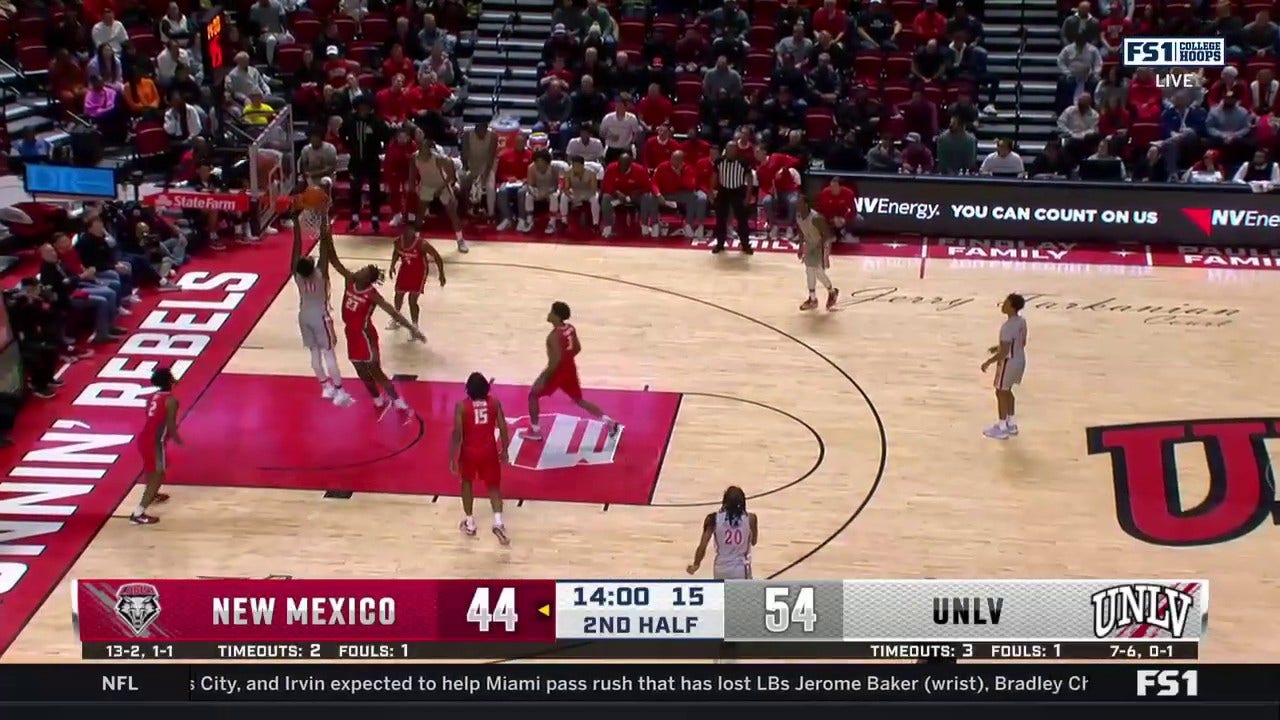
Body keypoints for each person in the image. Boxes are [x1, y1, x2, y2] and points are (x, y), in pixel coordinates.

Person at [320, 228, 425, 423]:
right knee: (361, 372)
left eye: (363, 271)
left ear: (367, 279)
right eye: (361, 269)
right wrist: (327, 239)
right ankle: (377, 399)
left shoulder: (371, 294)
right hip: (351, 334)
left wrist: (412, 328)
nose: (359, 270)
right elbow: (334, 262)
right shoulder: (350, 281)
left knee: (375, 370)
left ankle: (398, 400)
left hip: (365, 335)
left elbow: (392, 312)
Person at [523, 301, 618, 440]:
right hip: (570, 369)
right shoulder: (570, 328)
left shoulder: (553, 336)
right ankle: (609, 421)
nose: (548, 314)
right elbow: (577, 348)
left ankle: (535, 431)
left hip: (557, 372)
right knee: (579, 400)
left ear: (556, 316)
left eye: (551, 312)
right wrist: (567, 359)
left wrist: (546, 378)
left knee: (533, 395)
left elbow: (556, 361)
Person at [290, 202, 352, 407]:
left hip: (303, 315)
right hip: (320, 316)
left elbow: (297, 247)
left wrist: (296, 223)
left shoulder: (296, 273)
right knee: (329, 352)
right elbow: (325, 247)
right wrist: (325, 219)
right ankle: (340, 391)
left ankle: (325, 387)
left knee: (314, 353)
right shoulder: (320, 273)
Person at [450, 372, 511, 544]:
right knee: (494, 486)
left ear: (468, 389)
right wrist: (505, 449)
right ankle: (498, 522)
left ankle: (470, 523)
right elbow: (503, 428)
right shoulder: (494, 403)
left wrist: (452, 456)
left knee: (466, 484)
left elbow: (457, 434)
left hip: (469, 452)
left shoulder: (461, 407)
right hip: (489, 450)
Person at [131, 367, 182, 525]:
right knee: (158, 474)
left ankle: (153, 494)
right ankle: (138, 513)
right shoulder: (172, 401)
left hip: (145, 438)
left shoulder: (152, 397)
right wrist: (179, 440)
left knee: (152, 470)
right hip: (155, 442)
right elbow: (171, 426)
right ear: (170, 380)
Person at [980, 293, 1028, 439]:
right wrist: (999, 347)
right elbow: (1020, 342)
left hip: (1009, 362)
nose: (1003, 305)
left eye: (1006, 303)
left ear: (1012, 307)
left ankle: (1001, 427)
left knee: (1000, 392)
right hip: (1020, 359)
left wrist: (988, 362)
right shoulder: (1022, 321)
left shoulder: (1007, 327)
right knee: (1008, 391)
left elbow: (1004, 353)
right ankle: (1011, 423)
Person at [413, 133, 469, 252]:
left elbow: (451, 177)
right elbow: (412, 174)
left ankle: (460, 240)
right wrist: (413, 187)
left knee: (453, 214)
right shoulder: (414, 157)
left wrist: (440, 188)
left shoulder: (440, 159)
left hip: (442, 185)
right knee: (420, 214)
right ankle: (415, 241)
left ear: (430, 149)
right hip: (426, 185)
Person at [686, 485, 756, 578]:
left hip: (720, 568)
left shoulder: (713, 518)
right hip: (740, 568)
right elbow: (754, 542)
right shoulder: (751, 518)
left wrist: (696, 564)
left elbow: (702, 546)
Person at [388, 226, 446, 333]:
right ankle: (396, 318)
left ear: (414, 232)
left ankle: (415, 326)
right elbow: (396, 253)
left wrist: (441, 274)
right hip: (405, 270)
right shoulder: (398, 242)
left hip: (419, 272)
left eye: (410, 231)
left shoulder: (422, 244)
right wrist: (392, 266)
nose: (407, 233)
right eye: (405, 230)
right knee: (398, 294)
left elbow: (437, 257)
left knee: (412, 300)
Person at [794, 196, 840, 311]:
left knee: (815, 270)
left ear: (806, 205)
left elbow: (828, 235)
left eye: (799, 203)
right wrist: (800, 247)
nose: (797, 206)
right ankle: (823, 295)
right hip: (811, 245)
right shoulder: (799, 216)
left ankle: (820, 296)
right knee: (812, 270)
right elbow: (801, 230)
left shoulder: (816, 218)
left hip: (822, 245)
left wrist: (819, 247)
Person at [711, 143, 754, 254]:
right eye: (729, 149)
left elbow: (749, 179)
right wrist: (712, 191)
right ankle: (720, 244)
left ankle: (745, 244)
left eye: (733, 149)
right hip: (723, 190)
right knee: (720, 219)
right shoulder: (719, 161)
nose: (731, 151)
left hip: (738, 191)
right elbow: (715, 176)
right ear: (726, 150)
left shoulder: (743, 161)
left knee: (742, 220)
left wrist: (748, 196)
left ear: (736, 150)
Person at [520, 150, 563, 234]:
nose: (539, 164)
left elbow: (560, 184)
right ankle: (529, 221)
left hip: (552, 189)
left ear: (547, 162)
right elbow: (530, 184)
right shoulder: (531, 168)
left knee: (554, 196)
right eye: (537, 161)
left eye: (541, 161)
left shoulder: (554, 168)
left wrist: (552, 191)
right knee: (528, 195)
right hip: (539, 190)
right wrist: (534, 193)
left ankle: (552, 222)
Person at [559, 155, 601, 229]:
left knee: (595, 199)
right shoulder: (568, 172)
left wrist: (582, 198)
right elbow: (566, 188)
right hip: (575, 191)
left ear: (582, 165)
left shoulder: (591, 173)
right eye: (574, 165)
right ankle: (564, 221)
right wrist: (570, 195)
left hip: (588, 192)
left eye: (578, 166)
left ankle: (595, 223)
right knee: (563, 197)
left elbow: (594, 189)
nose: (575, 168)